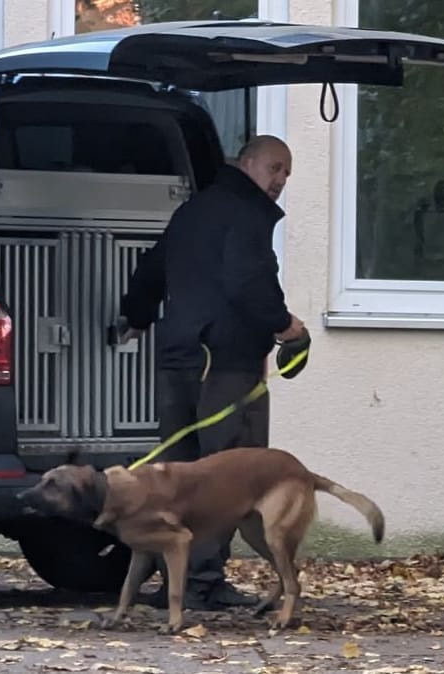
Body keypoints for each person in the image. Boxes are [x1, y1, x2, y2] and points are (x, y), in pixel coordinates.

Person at [118, 134, 306, 610]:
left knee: (175, 474)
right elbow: (249, 282)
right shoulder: (245, 217)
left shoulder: (193, 211)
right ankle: (202, 583)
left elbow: (152, 269)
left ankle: (175, 584)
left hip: (178, 357)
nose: (280, 180)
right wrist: (285, 326)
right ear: (246, 164)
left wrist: (135, 317)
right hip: (224, 364)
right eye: (274, 168)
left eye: (287, 172)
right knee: (226, 477)